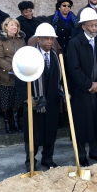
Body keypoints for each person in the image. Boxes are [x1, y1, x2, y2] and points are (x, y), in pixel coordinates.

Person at [15, 23, 65, 171]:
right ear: (38, 39)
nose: (49, 41)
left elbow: (60, 79)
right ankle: (30, 161)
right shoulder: (29, 56)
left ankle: (47, 159)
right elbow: (19, 80)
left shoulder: (56, 56)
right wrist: (27, 98)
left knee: (50, 132)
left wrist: (64, 92)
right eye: (46, 38)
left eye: (51, 39)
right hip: (34, 101)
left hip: (52, 101)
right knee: (33, 133)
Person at [67, 7, 97, 166]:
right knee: (82, 123)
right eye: (90, 25)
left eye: (96, 25)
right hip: (81, 91)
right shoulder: (75, 43)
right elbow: (73, 68)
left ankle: (95, 152)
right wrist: (88, 84)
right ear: (83, 26)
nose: (94, 28)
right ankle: (81, 154)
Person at [0, 17, 26, 134]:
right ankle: (7, 124)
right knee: (5, 101)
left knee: (17, 101)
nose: (15, 27)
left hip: (19, 76)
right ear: (6, 27)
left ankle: (16, 122)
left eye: (16, 25)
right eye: (12, 25)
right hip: (6, 76)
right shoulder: (0, 40)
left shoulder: (21, 40)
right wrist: (12, 68)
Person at [48, 0, 77, 68]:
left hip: (71, 52)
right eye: (64, 5)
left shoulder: (75, 20)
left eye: (69, 6)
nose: (67, 7)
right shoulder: (51, 19)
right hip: (57, 51)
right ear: (59, 7)